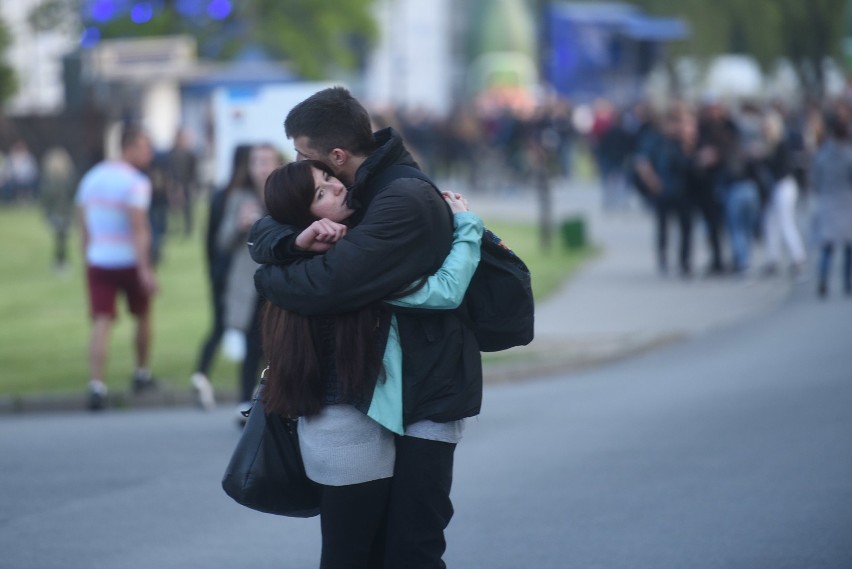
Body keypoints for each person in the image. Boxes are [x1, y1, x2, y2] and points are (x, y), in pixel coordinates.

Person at [249, 86, 483, 568]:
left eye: (304, 154)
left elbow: (331, 285)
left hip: (426, 392)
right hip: (373, 399)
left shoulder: (398, 199)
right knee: (366, 550)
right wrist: (294, 240)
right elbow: (268, 223)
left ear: (336, 155)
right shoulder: (363, 192)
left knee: (409, 550)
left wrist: (270, 276)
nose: (301, 163)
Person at [75, 124, 157, 411]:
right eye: (145, 146)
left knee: (101, 321)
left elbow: (82, 224)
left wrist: (87, 255)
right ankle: (141, 373)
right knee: (143, 315)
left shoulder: (91, 178)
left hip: (99, 260)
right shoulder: (136, 182)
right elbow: (139, 228)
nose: (150, 152)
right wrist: (145, 269)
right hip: (129, 261)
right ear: (129, 147)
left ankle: (96, 385)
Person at [218, 143, 281, 419]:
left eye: (267, 161)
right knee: (251, 343)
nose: (261, 167)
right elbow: (222, 241)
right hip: (249, 283)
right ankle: (245, 402)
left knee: (278, 344)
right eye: (256, 161)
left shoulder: (284, 195)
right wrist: (239, 225)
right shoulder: (239, 197)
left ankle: (276, 402)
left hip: (279, 282)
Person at [189, 144, 252, 410]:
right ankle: (244, 393)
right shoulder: (239, 198)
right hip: (234, 274)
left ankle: (201, 374)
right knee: (244, 330)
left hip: (219, 272)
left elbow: (208, 241)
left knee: (220, 326)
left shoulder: (220, 195)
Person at [634, 105, 696, 277]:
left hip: (684, 191)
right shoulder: (654, 139)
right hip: (664, 190)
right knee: (663, 226)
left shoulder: (685, 141)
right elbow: (642, 163)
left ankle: (685, 262)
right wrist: (653, 183)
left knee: (686, 228)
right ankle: (663, 258)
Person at [760, 110, 807, 277]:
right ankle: (772, 258)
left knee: (785, 222)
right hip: (777, 187)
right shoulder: (770, 145)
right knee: (770, 222)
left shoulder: (781, 144)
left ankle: (798, 256)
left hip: (784, 186)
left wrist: (764, 159)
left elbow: (782, 169)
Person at [810, 113, 852, 298]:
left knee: (827, 246)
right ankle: (847, 283)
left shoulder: (823, 154)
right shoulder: (849, 155)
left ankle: (823, 280)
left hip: (827, 200)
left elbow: (815, 178)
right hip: (847, 201)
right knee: (848, 247)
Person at [39, 147, 78, 272]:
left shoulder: (68, 180)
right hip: (57, 214)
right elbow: (47, 200)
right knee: (60, 239)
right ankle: (60, 262)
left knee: (62, 239)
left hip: (64, 213)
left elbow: (72, 197)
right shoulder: (51, 181)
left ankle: (61, 261)